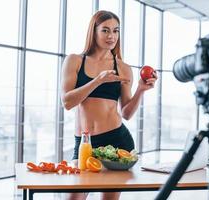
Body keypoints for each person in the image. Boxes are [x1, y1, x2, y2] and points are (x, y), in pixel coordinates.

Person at [61, 10, 158, 200]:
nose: (111, 36)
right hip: (84, 143)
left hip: (117, 142)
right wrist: (98, 80)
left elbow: (127, 113)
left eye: (116, 31)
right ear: (94, 32)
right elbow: (67, 102)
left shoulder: (123, 68)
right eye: (105, 30)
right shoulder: (74, 61)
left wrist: (140, 90)